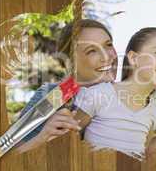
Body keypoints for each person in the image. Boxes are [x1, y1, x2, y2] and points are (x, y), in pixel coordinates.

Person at [72, 27, 156, 160]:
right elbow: (69, 136)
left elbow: (149, 152)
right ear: (134, 58)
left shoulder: (152, 111)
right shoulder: (100, 95)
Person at [15, 19, 118, 153]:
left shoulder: (129, 96)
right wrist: (43, 138)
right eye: (92, 51)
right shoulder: (53, 95)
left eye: (108, 45)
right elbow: (13, 154)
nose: (107, 56)